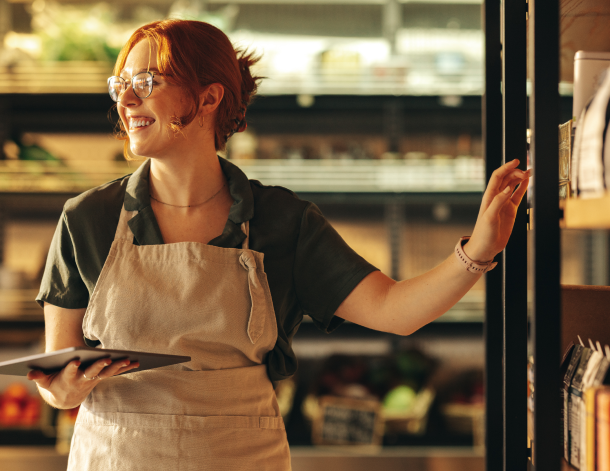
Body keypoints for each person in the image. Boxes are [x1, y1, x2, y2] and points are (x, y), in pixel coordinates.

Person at [28, 19, 530, 471]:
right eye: (122, 85)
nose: (126, 100)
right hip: (118, 458)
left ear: (208, 98)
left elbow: (396, 310)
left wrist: (478, 251)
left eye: (147, 82)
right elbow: (60, 370)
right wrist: (66, 390)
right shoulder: (87, 219)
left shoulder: (283, 221)